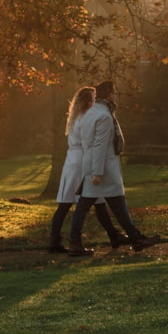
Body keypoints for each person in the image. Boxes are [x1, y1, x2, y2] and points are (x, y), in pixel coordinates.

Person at [67, 80, 160, 256]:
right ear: (109, 95)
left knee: (88, 204)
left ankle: (77, 242)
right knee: (113, 203)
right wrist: (98, 172)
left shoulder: (91, 113)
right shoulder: (104, 116)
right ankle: (135, 238)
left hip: (93, 165)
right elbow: (100, 145)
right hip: (103, 167)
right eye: (113, 94)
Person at [48, 86, 125, 254]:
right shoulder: (86, 118)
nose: (95, 102)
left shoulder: (74, 118)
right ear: (87, 102)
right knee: (94, 201)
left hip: (72, 160)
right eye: (93, 99)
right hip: (82, 160)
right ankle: (81, 240)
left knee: (70, 202)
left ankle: (55, 239)